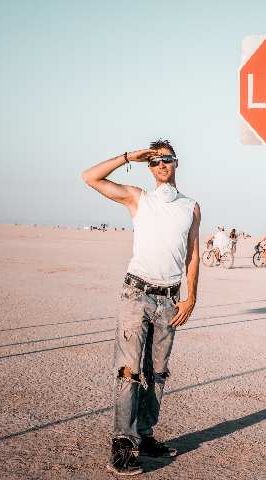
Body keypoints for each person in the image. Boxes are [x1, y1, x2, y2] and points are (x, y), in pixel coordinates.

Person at [82, 139, 200, 476]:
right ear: (149, 167)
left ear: (177, 163)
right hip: (136, 294)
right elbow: (90, 177)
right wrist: (129, 156)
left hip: (169, 299)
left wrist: (191, 296)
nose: (161, 164)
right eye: (155, 161)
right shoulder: (138, 198)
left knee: (157, 373)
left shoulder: (190, 207)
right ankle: (123, 445)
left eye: (167, 159)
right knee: (128, 371)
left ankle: (145, 435)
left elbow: (192, 254)